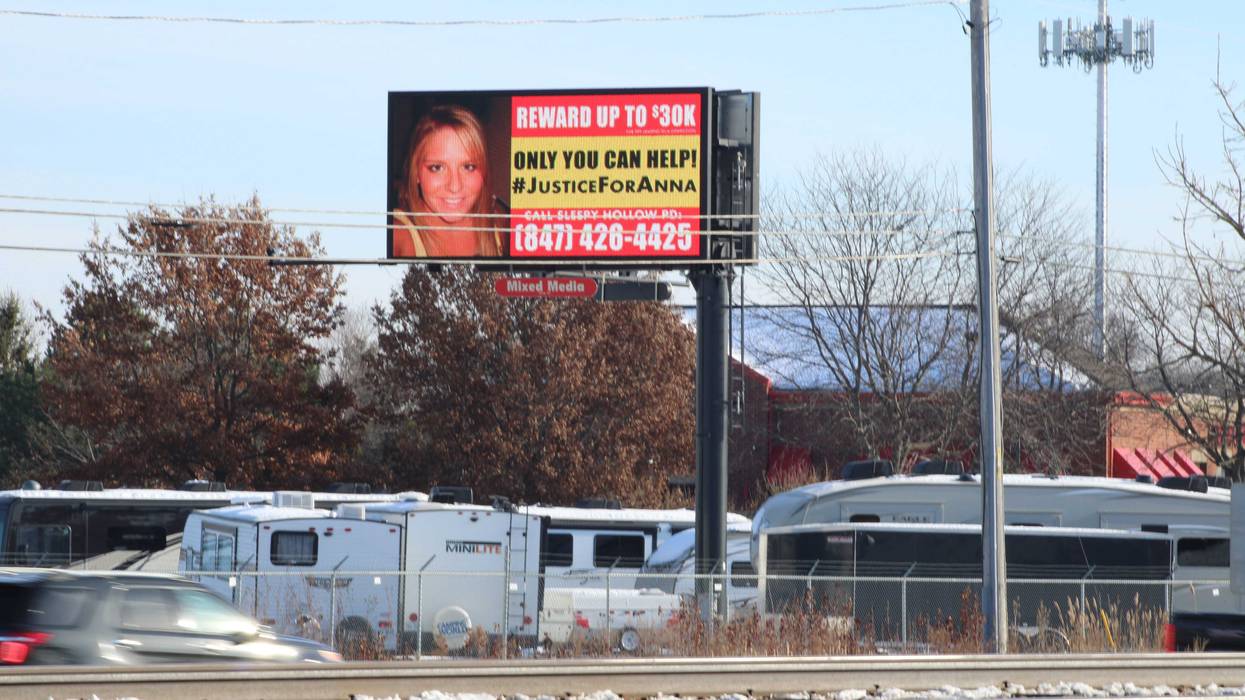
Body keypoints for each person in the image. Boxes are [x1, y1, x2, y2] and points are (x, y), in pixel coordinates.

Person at [393, 105, 504, 258]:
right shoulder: (397, 234)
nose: (454, 186)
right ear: (416, 172)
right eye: (437, 167)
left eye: (469, 167)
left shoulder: (499, 228)